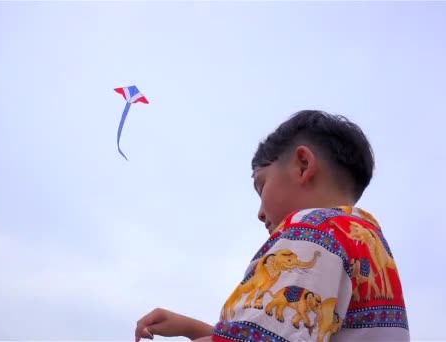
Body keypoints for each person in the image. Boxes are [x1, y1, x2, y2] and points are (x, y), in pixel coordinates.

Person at [135, 110, 409, 342]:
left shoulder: (315, 230)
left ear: (303, 166)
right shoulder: (365, 241)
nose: (259, 213)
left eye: (261, 184)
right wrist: (192, 329)